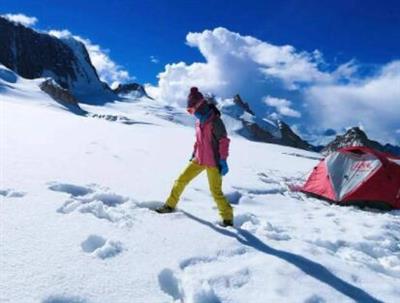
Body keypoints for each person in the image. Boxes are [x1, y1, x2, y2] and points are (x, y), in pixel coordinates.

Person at [156, 87, 234, 227]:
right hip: (198, 160)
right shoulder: (198, 122)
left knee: (215, 192)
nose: (191, 114)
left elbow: (224, 141)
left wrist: (223, 160)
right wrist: (193, 153)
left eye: (191, 110)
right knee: (180, 180)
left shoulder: (215, 121)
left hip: (213, 162)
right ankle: (169, 205)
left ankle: (227, 218)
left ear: (200, 106)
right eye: (189, 111)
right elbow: (198, 141)